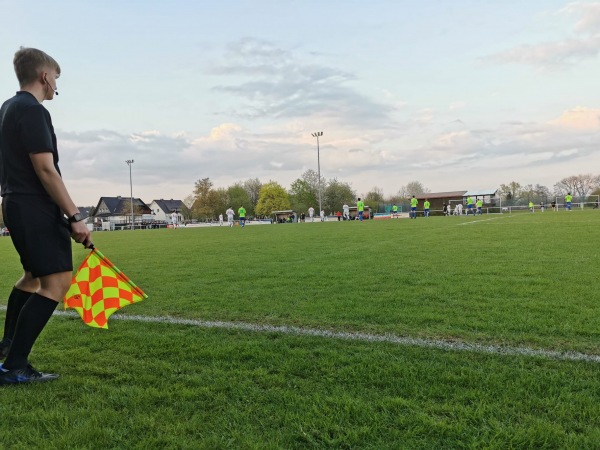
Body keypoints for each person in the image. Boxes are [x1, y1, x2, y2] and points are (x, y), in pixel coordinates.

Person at [0, 47, 92, 385]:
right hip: (33, 204)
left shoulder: (7, 108)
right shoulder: (33, 110)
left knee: (31, 277)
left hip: (15, 202)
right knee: (57, 283)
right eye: (55, 78)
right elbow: (45, 169)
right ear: (44, 76)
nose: (55, 85)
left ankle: (7, 348)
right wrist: (75, 215)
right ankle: (13, 367)